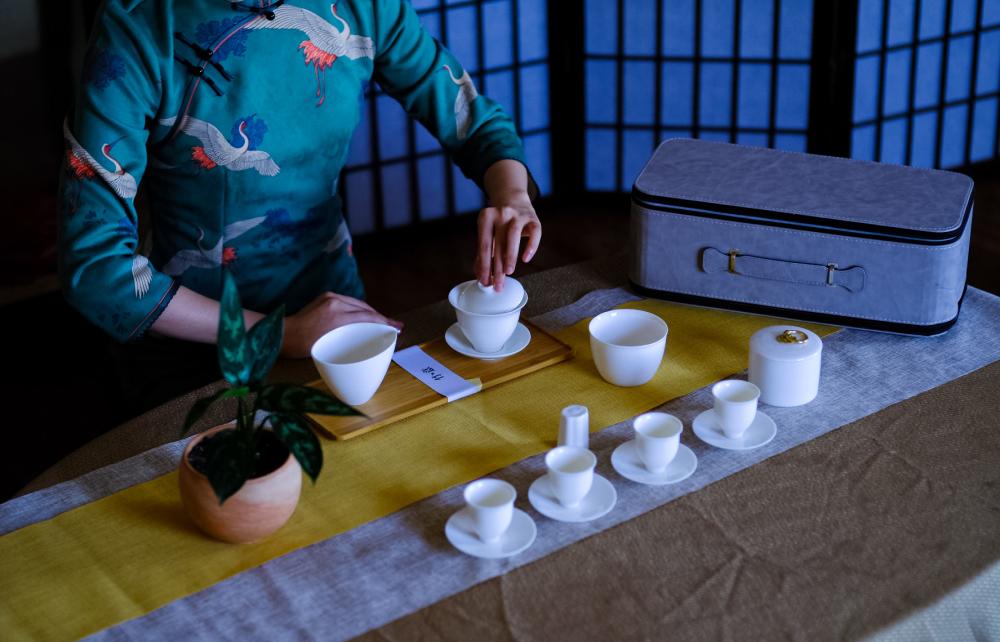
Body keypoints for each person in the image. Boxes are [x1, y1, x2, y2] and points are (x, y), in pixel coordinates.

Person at [59, 0, 541, 410]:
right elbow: (97, 268)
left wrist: (512, 197)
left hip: (336, 318)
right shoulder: (139, 28)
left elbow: (471, 119)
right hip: (192, 340)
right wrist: (281, 334)